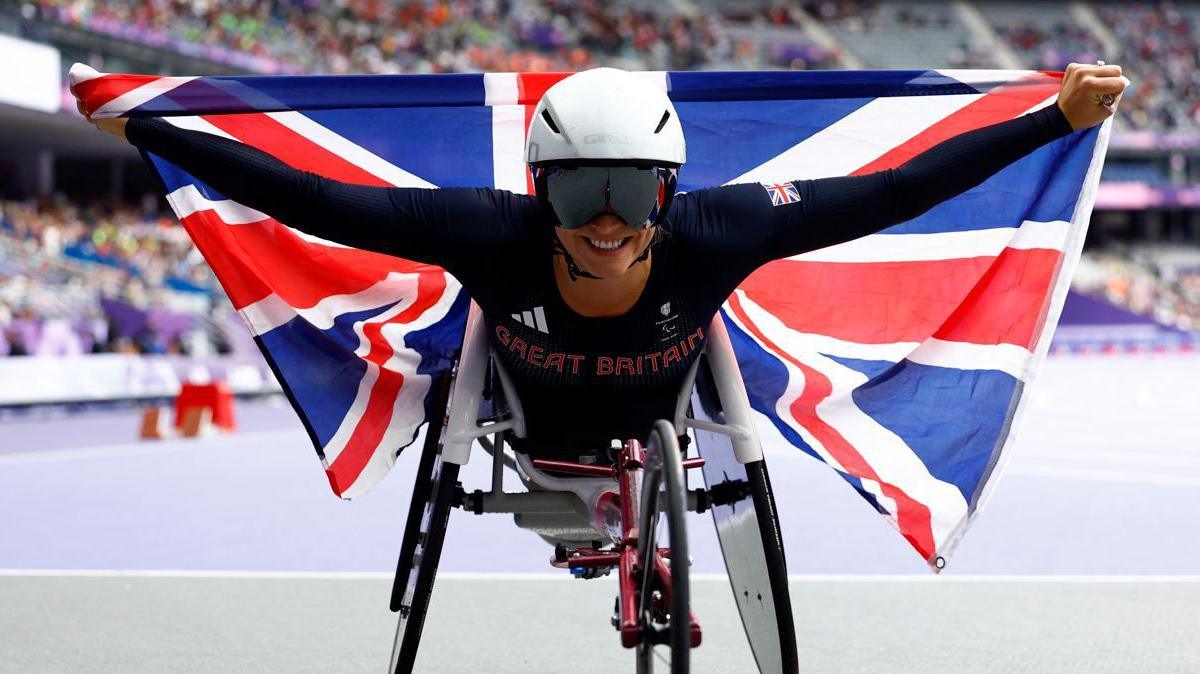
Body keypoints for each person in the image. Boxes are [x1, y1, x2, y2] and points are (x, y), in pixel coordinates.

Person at [77, 64, 1126, 459]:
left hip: (669, 414)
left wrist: (1054, 116)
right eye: (585, 193)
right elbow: (311, 198)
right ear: (544, 192)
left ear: (669, 193)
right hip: (524, 419)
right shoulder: (488, 232)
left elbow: (897, 191)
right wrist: (153, 132)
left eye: (635, 192)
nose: (610, 220)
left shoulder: (723, 231)